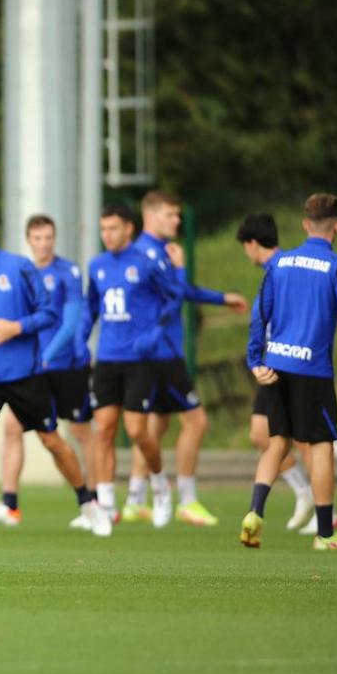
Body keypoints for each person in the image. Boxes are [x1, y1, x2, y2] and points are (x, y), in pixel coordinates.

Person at [0, 206, 108, 538]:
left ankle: (88, 503)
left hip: (24, 375)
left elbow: (49, 313)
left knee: (52, 441)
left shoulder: (19, 268)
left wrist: (16, 327)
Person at [119, 191, 248, 528]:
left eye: (178, 215)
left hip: (156, 352)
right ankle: (187, 500)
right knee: (196, 422)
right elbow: (176, 296)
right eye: (171, 214)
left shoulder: (158, 251)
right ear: (151, 215)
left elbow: (181, 291)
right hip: (161, 354)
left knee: (155, 426)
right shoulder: (148, 254)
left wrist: (221, 298)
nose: (176, 221)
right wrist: (179, 270)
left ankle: (135, 497)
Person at [0, 214, 102, 533]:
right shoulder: (22, 272)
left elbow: (71, 321)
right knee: (11, 427)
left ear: (54, 238)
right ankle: (10, 504)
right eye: (37, 238)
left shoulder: (67, 272)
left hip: (68, 365)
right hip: (34, 368)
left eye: (48, 237)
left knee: (80, 431)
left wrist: (47, 356)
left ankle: (97, 501)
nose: (44, 243)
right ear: (29, 240)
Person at [241, 193, 337, 551]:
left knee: (276, 443)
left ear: (304, 224)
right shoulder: (336, 266)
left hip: (277, 366)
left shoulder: (280, 263)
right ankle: (326, 534)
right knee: (319, 447)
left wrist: (256, 360)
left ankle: (255, 511)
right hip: (312, 369)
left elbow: (260, 315)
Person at [84, 203, 179, 532]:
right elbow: (91, 308)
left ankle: (160, 486)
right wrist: (82, 342)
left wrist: (155, 332)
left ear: (129, 229)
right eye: (103, 229)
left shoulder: (147, 264)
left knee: (138, 430)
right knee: (104, 429)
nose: (107, 235)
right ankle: (106, 505)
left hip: (139, 360)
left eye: (112, 228)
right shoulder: (96, 265)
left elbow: (173, 299)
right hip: (107, 358)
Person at [236, 213, 321, 534]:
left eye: (245, 246)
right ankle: (305, 493)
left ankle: (325, 508)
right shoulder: (277, 267)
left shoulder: (285, 267)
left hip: (291, 363)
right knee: (262, 434)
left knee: (303, 440)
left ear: (252, 244)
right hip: (273, 364)